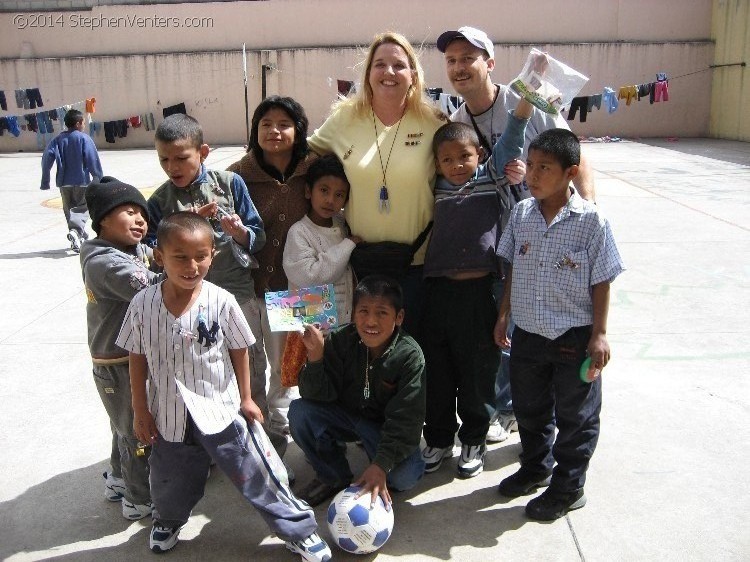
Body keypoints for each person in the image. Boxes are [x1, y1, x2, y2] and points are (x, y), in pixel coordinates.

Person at [115, 212, 331, 561]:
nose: (192, 265)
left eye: (201, 256)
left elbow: (239, 348)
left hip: (222, 409)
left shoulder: (221, 301)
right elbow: (136, 357)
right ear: (159, 256)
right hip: (169, 414)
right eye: (180, 257)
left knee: (258, 473)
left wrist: (247, 398)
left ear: (213, 254)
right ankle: (168, 520)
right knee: (169, 479)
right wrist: (141, 410)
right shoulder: (143, 305)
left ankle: (298, 530)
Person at [437, 26, 597, 443]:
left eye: (468, 58)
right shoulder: (456, 120)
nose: (459, 68)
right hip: (498, 240)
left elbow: (573, 153)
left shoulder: (524, 99)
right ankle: (510, 408)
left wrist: (587, 212)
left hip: (549, 232)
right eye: (451, 60)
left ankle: (551, 413)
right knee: (505, 322)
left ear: (489, 63)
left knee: (551, 322)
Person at [493, 129, 624, 521]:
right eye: (530, 165)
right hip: (529, 334)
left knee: (576, 416)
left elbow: (603, 278)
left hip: (573, 337)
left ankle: (569, 486)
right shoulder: (521, 214)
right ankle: (536, 466)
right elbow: (513, 266)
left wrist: (599, 334)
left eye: (544, 168)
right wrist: (504, 314)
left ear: (569, 173)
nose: (532, 175)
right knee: (530, 409)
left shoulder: (591, 222)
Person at [145, 115, 287, 456]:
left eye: (181, 158)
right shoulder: (160, 201)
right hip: (185, 302)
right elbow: (150, 249)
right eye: (164, 159)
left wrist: (235, 229)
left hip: (237, 296)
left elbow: (256, 237)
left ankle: (264, 446)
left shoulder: (230, 184)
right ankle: (211, 446)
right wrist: (182, 226)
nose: (172, 166)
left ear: (203, 152)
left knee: (250, 371)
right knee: (200, 372)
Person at [419, 93, 533, 479]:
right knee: (438, 371)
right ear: (436, 164)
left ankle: (473, 439)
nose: (456, 166)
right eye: (447, 159)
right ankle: (437, 438)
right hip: (438, 292)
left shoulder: (490, 177)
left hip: (479, 292)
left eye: (464, 157)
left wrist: (524, 104)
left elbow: (513, 137)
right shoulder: (433, 187)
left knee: (476, 372)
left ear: (480, 155)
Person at [307, 32, 447, 337]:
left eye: (399, 65)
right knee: (362, 353)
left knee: (410, 352)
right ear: (368, 73)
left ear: (413, 75)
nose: (389, 72)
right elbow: (303, 159)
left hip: (416, 265)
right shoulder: (343, 118)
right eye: (380, 64)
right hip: (359, 264)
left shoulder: (433, 122)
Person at [288, 275, 425, 508]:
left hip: (381, 427)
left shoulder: (410, 356)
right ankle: (332, 474)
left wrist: (381, 464)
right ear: (353, 314)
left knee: (404, 477)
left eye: (382, 313)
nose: (371, 322)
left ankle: (376, 460)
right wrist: (316, 356)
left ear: (399, 317)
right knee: (300, 412)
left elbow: (406, 421)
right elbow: (316, 396)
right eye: (363, 312)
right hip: (345, 416)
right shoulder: (341, 340)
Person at [227, 96, 315, 438]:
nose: (274, 131)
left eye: (284, 124)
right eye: (265, 124)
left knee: (289, 367)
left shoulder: (316, 167)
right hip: (246, 288)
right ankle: (255, 427)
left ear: (299, 130)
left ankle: (280, 430)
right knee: (249, 364)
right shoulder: (235, 175)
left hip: (299, 291)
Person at [80, 176, 159, 521]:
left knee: (123, 425)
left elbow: (154, 257)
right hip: (117, 362)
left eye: (141, 212)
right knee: (136, 433)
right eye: (129, 211)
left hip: (127, 358)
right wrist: (195, 258)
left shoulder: (128, 249)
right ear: (102, 221)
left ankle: (118, 479)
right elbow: (155, 285)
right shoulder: (105, 263)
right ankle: (140, 499)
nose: (140, 219)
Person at [283, 154, 359, 325]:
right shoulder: (299, 232)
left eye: (339, 194)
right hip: (312, 324)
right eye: (324, 190)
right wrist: (349, 244)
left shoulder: (343, 224)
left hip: (345, 320)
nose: (330, 200)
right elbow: (311, 278)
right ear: (308, 191)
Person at [40, 109, 103, 253]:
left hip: (64, 183)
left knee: (69, 211)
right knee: (83, 207)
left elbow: (46, 158)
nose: (84, 125)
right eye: (83, 122)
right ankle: (76, 232)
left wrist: (45, 180)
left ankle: (78, 237)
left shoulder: (57, 140)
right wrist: (98, 177)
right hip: (81, 181)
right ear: (78, 123)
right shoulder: (83, 139)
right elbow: (92, 158)